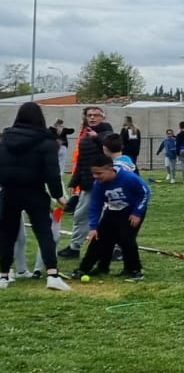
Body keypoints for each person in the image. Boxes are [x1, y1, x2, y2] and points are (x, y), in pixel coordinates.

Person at [0, 102, 72, 291]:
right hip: (35, 192)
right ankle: (52, 275)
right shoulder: (46, 142)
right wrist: (58, 196)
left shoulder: (5, 140)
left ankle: (3, 276)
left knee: (7, 234)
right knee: (44, 233)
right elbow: (52, 173)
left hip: (9, 192)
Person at [73, 155, 151, 281]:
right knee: (99, 238)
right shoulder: (98, 184)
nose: (95, 176)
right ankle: (87, 268)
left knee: (126, 239)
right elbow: (95, 205)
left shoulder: (128, 178)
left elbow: (145, 192)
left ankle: (134, 270)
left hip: (132, 211)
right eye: (93, 173)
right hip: (113, 210)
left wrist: (137, 212)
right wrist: (93, 227)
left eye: (99, 173)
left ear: (110, 169)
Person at [60, 106, 113, 260]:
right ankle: (75, 247)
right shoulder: (85, 135)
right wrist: (74, 181)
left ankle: (114, 249)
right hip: (88, 183)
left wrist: (97, 137)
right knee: (80, 215)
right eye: (89, 115)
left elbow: (111, 147)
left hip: (104, 183)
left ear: (103, 117)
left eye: (96, 115)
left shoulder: (107, 133)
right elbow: (81, 161)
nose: (92, 118)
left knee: (108, 218)